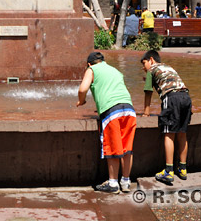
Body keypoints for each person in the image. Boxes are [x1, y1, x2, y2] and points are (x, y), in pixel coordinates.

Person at [76, 51, 135, 194]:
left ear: (89, 64)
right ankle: (126, 181)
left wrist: (81, 100)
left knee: (113, 145)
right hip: (128, 109)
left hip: (111, 110)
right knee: (127, 147)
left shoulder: (92, 69)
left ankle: (113, 183)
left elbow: (82, 88)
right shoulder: (114, 70)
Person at [141, 50, 191, 186]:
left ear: (151, 60)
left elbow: (148, 92)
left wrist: (146, 112)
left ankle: (168, 171)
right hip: (186, 97)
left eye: (144, 63)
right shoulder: (168, 67)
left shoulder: (152, 69)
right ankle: (182, 168)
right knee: (182, 132)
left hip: (171, 98)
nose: (143, 68)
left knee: (169, 133)